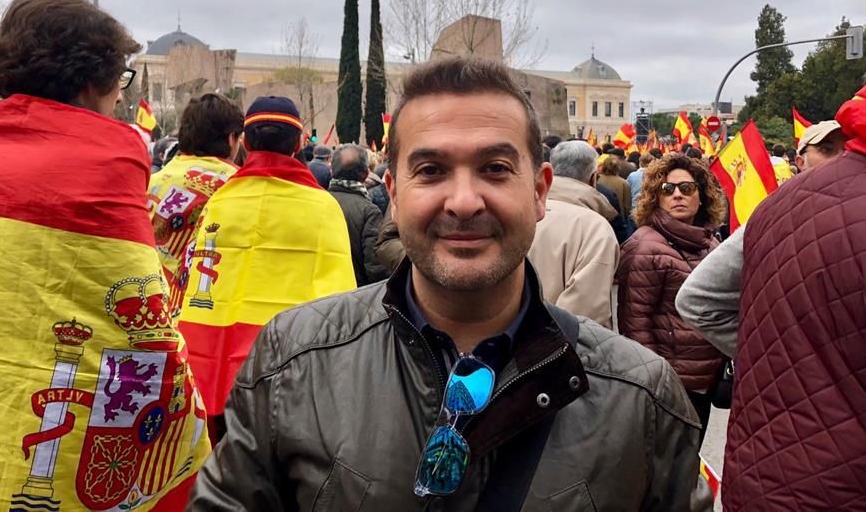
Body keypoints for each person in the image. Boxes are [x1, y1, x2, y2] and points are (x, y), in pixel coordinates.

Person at [187, 57, 702, 510]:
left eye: (495, 169)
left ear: (541, 191)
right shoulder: (292, 362)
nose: (463, 201)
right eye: (431, 170)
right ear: (393, 192)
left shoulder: (640, 398)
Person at [0, 0, 208, 510]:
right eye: (119, 82)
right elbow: (141, 330)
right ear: (90, 79)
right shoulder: (108, 159)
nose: (120, 100)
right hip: (45, 440)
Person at [721, 40, 866, 511]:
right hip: (865, 490)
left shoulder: (781, 199)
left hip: (756, 478)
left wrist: (786, 354)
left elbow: (698, 299)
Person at [176, 96, 355, 443]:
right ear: (300, 142)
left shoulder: (221, 200)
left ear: (245, 141)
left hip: (217, 368)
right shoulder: (323, 207)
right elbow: (340, 301)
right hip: (291, 368)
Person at [675, 118, 850, 357]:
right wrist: (774, 358)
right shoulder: (771, 217)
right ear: (800, 162)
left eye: (848, 150)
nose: (840, 159)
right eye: (826, 149)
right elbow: (695, 301)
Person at [617, 154, 727, 444]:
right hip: (670, 385)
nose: (677, 194)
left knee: (688, 469)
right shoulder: (645, 246)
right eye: (668, 190)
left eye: (687, 188)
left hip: (704, 380)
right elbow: (635, 324)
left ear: (701, 196)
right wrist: (656, 384)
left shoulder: (709, 241)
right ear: (656, 197)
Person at [147, 93, 243, 307]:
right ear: (231, 138)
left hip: (145, 304)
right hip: (198, 311)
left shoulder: (150, 182)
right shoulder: (237, 185)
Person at [528, 185, 620, 328]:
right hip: (559, 343)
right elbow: (585, 314)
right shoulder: (595, 228)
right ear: (593, 178)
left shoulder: (519, 214)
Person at [328, 143, 387, 285]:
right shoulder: (369, 211)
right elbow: (375, 268)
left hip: (319, 292)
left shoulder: (317, 202)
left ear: (331, 170)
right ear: (366, 173)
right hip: (354, 293)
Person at [597, 154, 631, 222]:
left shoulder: (596, 180)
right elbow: (627, 207)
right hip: (617, 220)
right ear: (618, 167)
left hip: (599, 217)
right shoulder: (624, 183)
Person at [627, 151, 653, 215]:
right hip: (650, 208)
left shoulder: (632, 175)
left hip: (634, 208)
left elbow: (627, 191)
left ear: (640, 163)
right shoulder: (654, 175)